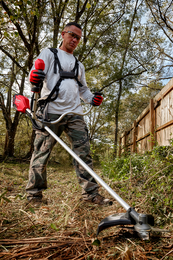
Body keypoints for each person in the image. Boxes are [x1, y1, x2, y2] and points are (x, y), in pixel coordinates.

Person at [26, 22, 112, 206]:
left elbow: (84, 91)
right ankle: (34, 196)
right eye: (72, 35)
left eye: (78, 37)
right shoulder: (49, 53)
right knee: (41, 153)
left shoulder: (78, 65)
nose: (74, 39)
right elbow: (34, 74)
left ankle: (91, 195)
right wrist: (33, 77)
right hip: (50, 112)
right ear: (63, 34)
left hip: (75, 114)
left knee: (84, 153)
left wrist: (92, 99)